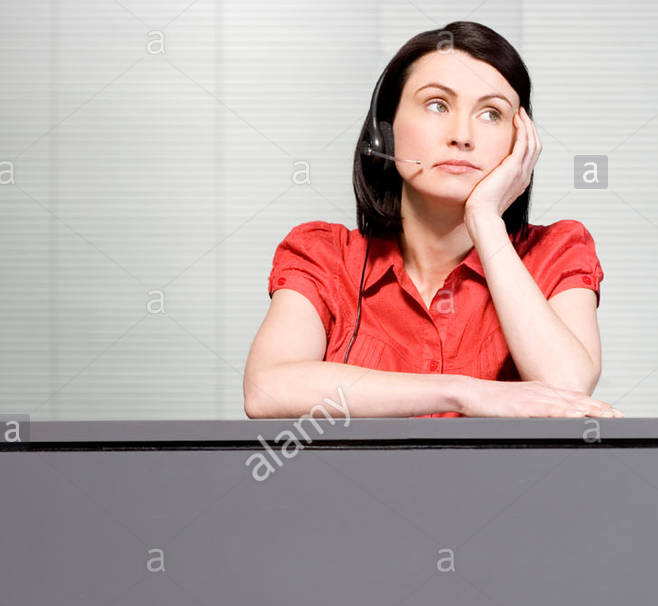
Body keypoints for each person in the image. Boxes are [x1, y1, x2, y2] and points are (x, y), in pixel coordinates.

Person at [244, 21, 621, 420]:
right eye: (438, 105)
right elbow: (266, 389)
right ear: (383, 134)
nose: (462, 136)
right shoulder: (324, 255)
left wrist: (485, 219)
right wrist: (462, 392)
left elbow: (566, 392)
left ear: (520, 142)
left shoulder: (557, 250)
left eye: (491, 113)